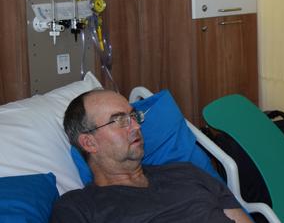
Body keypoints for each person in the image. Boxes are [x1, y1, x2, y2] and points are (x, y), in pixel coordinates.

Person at [50, 89, 252, 223]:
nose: (136, 126)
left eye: (133, 116)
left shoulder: (187, 173)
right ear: (89, 143)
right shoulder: (78, 208)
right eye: (120, 121)